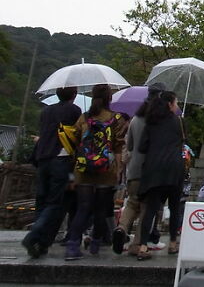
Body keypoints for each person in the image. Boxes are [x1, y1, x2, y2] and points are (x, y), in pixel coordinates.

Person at [64, 84, 127, 260]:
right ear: (109, 98)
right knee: (101, 209)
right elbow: (118, 146)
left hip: (83, 168)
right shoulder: (116, 119)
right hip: (106, 169)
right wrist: (119, 169)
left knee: (83, 207)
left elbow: (74, 140)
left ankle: (72, 246)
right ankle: (95, 244)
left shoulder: (84, 117)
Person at [22, 86, 81, 258]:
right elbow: (77, 133)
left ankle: (41, 242)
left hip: (42, 157)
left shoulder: (46, 111)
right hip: (60, 158)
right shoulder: (74, 110)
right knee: (54, 202)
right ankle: (35, 235)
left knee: (41, 199)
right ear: (74, 95)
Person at [112, 83, 163, 256]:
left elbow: (130, 146)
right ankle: (137, 244)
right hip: (152, 171)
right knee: (147, 209)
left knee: (132, 203)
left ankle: (121, 228)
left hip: (134, 170)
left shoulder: (135, 119)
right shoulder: (159, 120)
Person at [135, 90, 185, 261]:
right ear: (170, 104)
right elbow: (183, 141)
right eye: (176, 103)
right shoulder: (179, 122)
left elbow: (142, 147)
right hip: (174, 167)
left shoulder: (151, 121)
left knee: (151, 208)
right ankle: (173, 243)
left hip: (154, 168)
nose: (177, 106)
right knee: (175, 207)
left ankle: (143, 245)